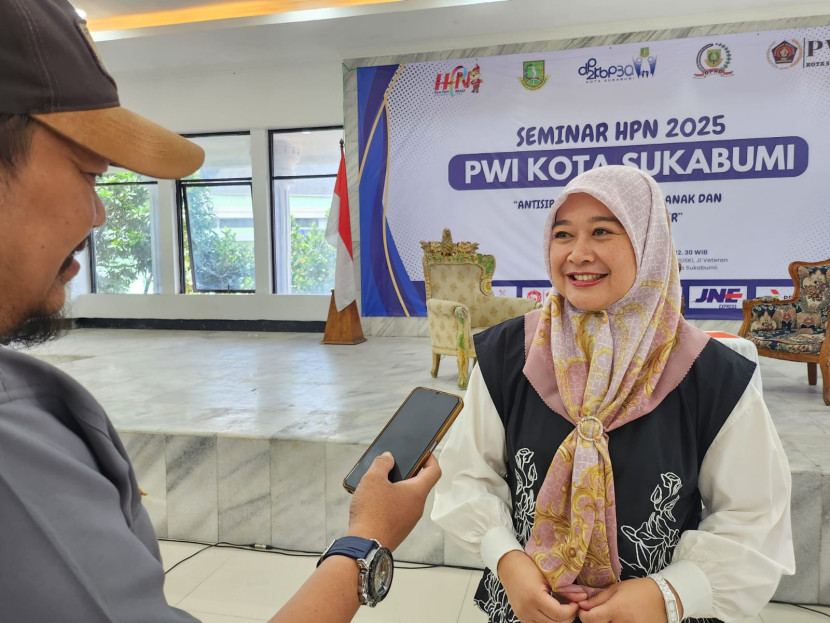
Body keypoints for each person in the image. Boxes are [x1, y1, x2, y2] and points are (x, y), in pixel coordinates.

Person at [0, 1, 440, 621]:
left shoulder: (31, 396)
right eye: (88, 171)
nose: (99, 214)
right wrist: (365, 545)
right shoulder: (17, 446)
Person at [431, 165, 794, 623]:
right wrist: (509, 561)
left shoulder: (711, 376)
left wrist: (669, 595)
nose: (578, 254)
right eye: (562, 235)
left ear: (649, 242)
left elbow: (754, 515)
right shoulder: (509, 355)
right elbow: (465, 473)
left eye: (601, 231)